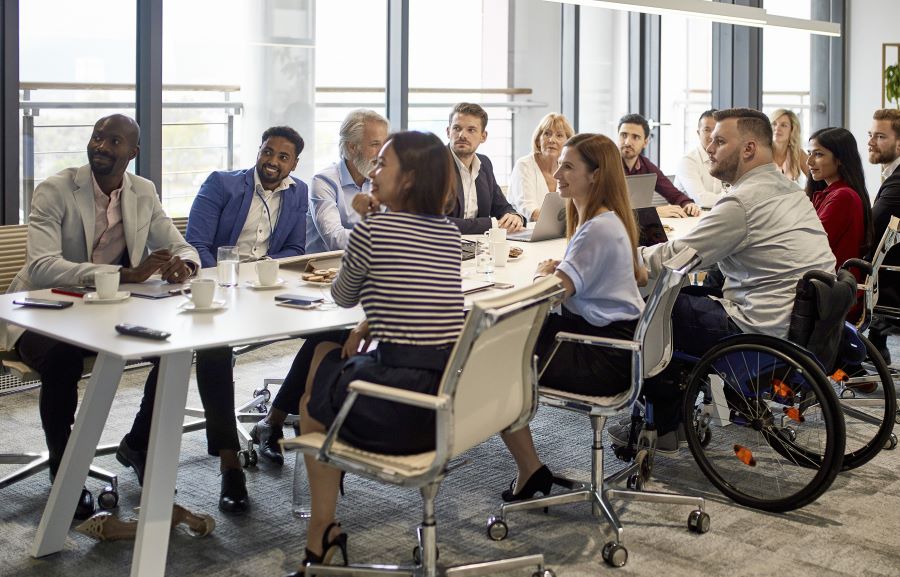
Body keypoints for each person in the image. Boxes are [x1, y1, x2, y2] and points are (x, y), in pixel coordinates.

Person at [3, 115, 245, 518]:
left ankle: (138, 442)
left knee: (174, 351)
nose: (100, 146)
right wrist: (121, 275)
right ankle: (65, 471)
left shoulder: (142, 192)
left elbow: (180, 246)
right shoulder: (55, 189)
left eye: (113, 141)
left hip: (108, 311)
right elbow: (43, 266)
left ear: (132, 152)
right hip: (42, 308)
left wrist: (183, 266)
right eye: (97, 137)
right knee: (62, 361)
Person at [286, 131, 465, 576]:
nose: (372, 172)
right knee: (328, 351)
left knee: (312, 398)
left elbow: (342, 295)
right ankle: (326, 502)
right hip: (448, 399)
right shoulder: (447, 231)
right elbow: (413, 290)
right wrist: (371, 322)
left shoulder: (375, 228)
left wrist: (369, 221)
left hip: (404, 405)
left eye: (383, 164)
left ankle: (320, 532)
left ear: (408, 180)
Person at [610, 108, 835, 450]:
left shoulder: (742, 202)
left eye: (719, 141)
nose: (709, 149)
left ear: (748, 149)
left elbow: (674, 258)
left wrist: (616, 255)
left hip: (759, 328)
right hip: (798, 320)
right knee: (686, 298)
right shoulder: (789, 190)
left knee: (654, 313)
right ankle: (679, 414)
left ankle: (663, 426)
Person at [497, 133, 645, 502]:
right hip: (615, 342)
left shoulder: (596, 229)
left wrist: (543, 275)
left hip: (599, 353)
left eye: (567, 166)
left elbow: (548, 296)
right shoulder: (609, 220)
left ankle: (530, 471)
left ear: (594, 175)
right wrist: (560, 268)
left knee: (493, 367)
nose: (556, 172)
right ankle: (530, 469)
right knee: (504, 340)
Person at [186, 126, 308, 266]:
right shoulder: (220, 183)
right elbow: (196, 244)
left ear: (294, 164)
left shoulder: (299, 191)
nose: (273, 161)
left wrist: (265, 265)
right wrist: (221, 277)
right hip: (223, 276)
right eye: (267, 152)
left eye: (283, 157)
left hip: (267, 277)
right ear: (259, 152)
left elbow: (295, 248)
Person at [306, 109, 389, 253]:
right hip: (323, 269)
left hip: (367, 263)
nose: (382, 152)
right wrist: (382, 239)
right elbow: (335, 239)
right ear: (352, 147)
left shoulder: (383, 179)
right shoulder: (323, 181)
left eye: (385, 144)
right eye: (375, 144)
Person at [444, 102, 526, 234]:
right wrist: (492, 224)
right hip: (443, 247)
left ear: (483, 136)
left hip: (479, 248)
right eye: (457, 128)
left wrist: (513, 217)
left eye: (471, 130)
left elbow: (501, 207)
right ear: (448, 132)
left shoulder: (484, 164)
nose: (462, 135)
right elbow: (435, 222)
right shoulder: (433, 165)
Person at [805, 127, 873, 274]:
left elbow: (810, 245)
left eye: (818, 154)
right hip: (828, 283)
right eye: (809, 153)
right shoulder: (829, 193)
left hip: (833, 288)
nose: (809, 161)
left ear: (840, 159)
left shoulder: (843, 197)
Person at [865, 108, 900, 362]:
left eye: (880, 137)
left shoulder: (898, 182)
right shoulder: (893, 176)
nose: (870, 142)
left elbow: (872, 228)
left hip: (892, 281)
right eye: (870, 135)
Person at [617, 113, 701, 218]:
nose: (628, 142)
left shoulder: (646, 165)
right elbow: (607, 212)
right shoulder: (605, 164)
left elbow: (674, 195)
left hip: (636, 227)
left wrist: (688, 204)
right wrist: (653, 212)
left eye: (635, 137)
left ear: (645, 142)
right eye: (624, 135)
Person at [507, 113, 574, 221]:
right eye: (547, 134)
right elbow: (529, 211)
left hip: (557, 232)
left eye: (559, 135)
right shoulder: (524, 165)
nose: (552, 140)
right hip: (525, 232)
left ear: (568, 143)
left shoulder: (568, 169)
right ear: (538, 140)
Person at [674, 109, 726, 208]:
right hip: (686, 219)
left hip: (715, 214)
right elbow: (702, 200)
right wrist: (730, 198)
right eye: (707, 130)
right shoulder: (687, 161)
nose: (712, 135)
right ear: (698, 133)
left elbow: (735, 190)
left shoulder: (726, 158)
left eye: (716, 130)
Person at [770, 108, 809, 184]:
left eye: (784, 125)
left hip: (788, 195)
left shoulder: (797, 153)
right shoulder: (761, 152)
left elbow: (816, 180)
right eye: (774, 124)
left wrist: (803, 193)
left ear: (792, 130)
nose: (777, 128)